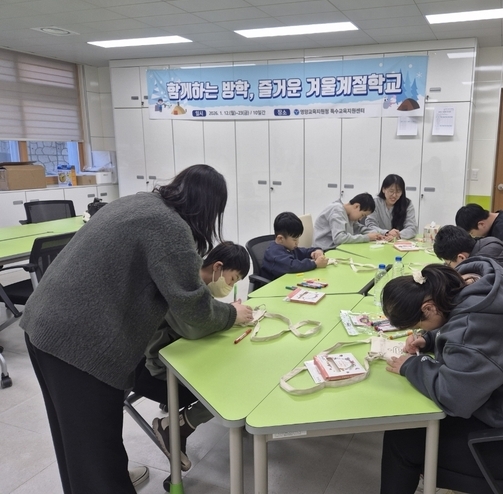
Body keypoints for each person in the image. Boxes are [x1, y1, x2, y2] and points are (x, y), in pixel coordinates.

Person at [20, 164, 251, 494]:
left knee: (76, 447)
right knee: (100, 457)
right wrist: (232, 314)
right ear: (209, 208)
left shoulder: (138, 203)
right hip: (79, 344)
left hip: (43, 324)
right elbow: (193, 308)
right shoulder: (171, 228)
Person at [378, 260, 503, 494]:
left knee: (401, 440)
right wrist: (430, 338)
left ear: (428, 308)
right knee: (410, 427)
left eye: (418, 325)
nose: (418, 330)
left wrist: (412, 366)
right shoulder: (478, 290)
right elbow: (461, 329)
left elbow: (454, 398)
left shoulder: (474, 327)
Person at [133, 241, 253, 472]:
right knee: (233, 380)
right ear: (217, 267)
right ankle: (178, 426)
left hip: (178, 352)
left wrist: (229, 313)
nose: (231, 286)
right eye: (232, 279)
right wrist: (230, 314)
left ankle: (178, 425)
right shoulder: (182, 283)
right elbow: (193, 328)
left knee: (235, 363)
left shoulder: (198, 283)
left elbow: (203, 317)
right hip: (155, 366)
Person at [433, 224, 503, 278]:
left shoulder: (481, 267)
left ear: (461, 258)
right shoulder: (486, 241)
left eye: (448, 264)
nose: (449, 267)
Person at [261, 212, 328, 280]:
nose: (297, 242)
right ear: (280, 239)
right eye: (294, 240)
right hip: (274, 285)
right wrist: (315, 264)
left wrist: (316, 251)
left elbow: (304, 252)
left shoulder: (289, 248)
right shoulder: (274, 254)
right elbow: (292, 266)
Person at [312, 192, 383, 250]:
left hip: (337, 248)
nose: (360, 219)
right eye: (362, 215)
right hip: (324, 251)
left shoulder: (349, 215)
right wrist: (367, 237)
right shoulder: (337, 210)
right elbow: (339, 238)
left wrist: (376, 233)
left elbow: (359, 228)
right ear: (356, 206)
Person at [365, 174, 418, 240]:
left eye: (398, 191)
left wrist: (398, 235)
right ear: (383, 189)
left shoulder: (407, 204)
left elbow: (412, 227)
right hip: (379, 240)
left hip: (399, 241)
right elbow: (370, 225)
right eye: (391, 191)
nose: (394, 195)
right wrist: (386, 233)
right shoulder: (375, 203)